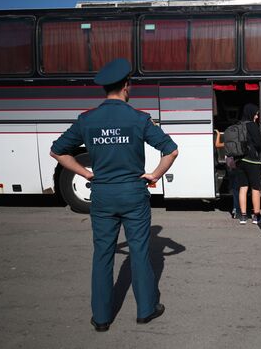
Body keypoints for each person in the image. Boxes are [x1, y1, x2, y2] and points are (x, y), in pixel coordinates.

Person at [50, 58, 179, 332]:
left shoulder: (87, 119)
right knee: (140, 252)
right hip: (133, 193)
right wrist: (154, 175)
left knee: (103, 254)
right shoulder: (139, 118)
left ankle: (101, 317)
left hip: (103, 195)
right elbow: (171, 150)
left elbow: (57, 151)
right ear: (126, 86)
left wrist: (85, 173)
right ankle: (146, 310)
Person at [235, 103, 261, 225]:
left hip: (240, 161)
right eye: (256, 114)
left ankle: (242, 216)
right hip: (252, 161)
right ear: (252, 113)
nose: (257, 117)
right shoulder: (252, 125)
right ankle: (256, 216)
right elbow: (258, 143)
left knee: (243, 187)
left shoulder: (238, 125)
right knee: (255, 188)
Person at [214, 129, 240, 218]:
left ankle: (236, 209)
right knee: (238, 189)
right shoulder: (238, 144)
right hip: (238, 168)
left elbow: (217, 145)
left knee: (235, 189)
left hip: (230, 169)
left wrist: (218, 134)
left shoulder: (227, 144)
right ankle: (237, 208)